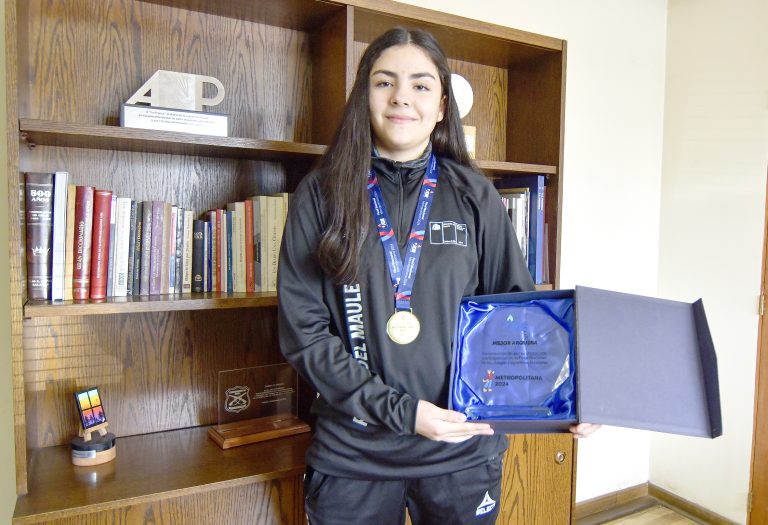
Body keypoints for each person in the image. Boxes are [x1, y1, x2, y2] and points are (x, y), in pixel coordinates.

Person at [278, 26, 598, 525]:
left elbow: (519, 314)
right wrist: (404, 413)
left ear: (442, 106)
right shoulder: (319, 196)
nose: (402, 96)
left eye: (421, 85)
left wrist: (575, 395)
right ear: (364, 96)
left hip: (462, 451)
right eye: (384, 82)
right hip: (354, 457)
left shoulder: (475, 195)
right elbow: (306, 336)